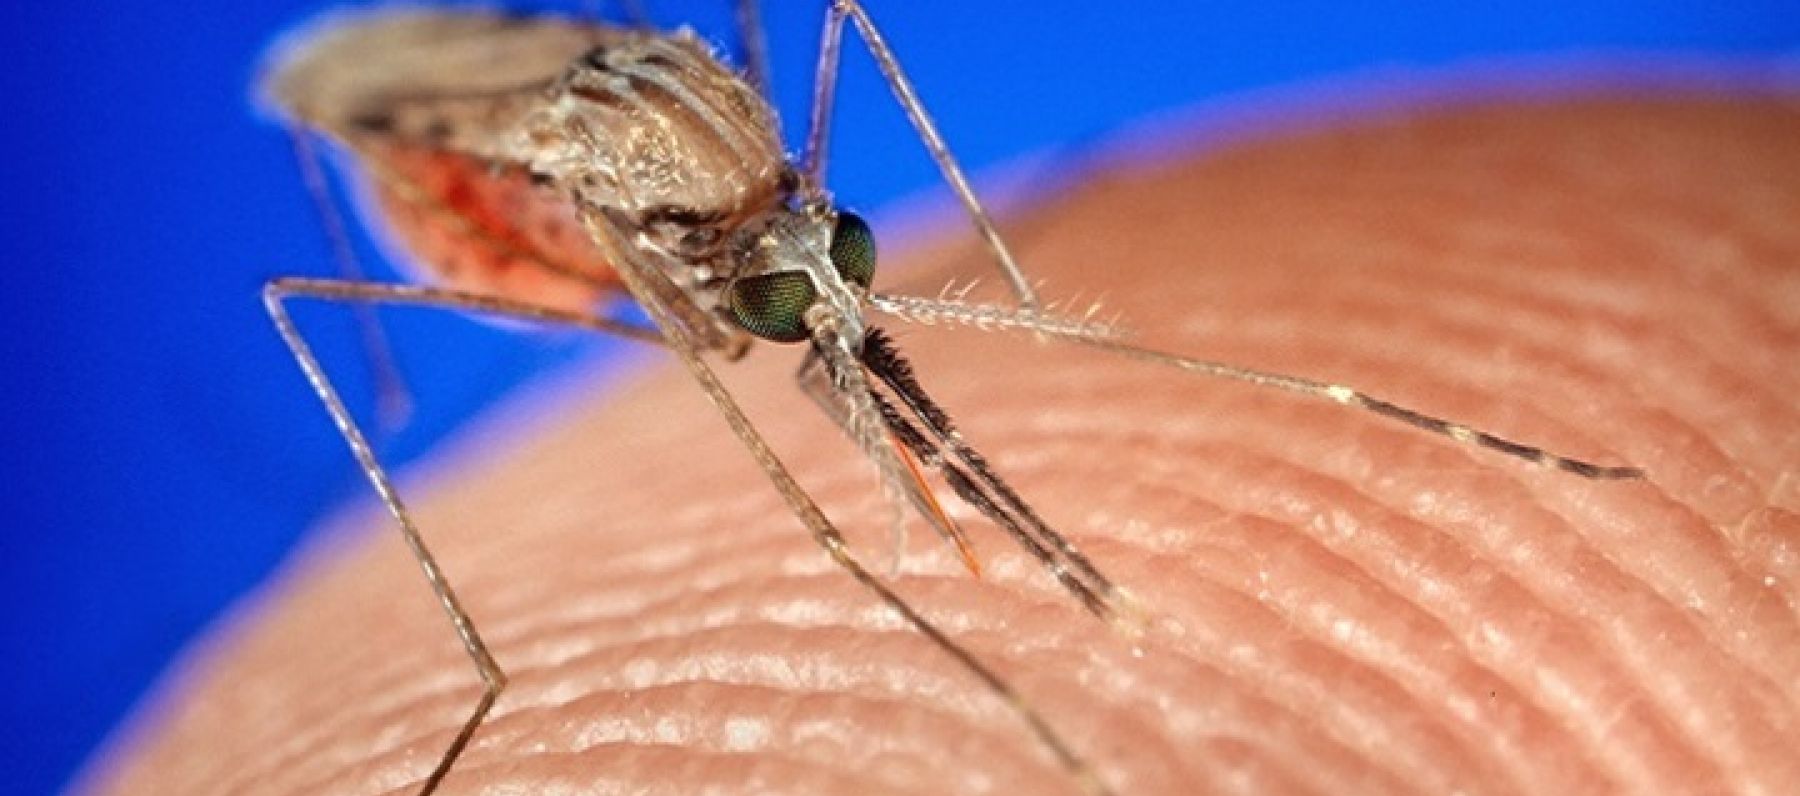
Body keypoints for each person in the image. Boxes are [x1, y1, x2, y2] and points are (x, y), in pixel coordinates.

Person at [80, 92, 1800, 794]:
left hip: (699, 202)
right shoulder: (628, 250)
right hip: (534, 184)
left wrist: (936, 286)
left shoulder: (786, 232)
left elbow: (813, 289)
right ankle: (479, 678)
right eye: (797, 294)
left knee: (844, 329)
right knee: (305, 294)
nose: (833, 313)